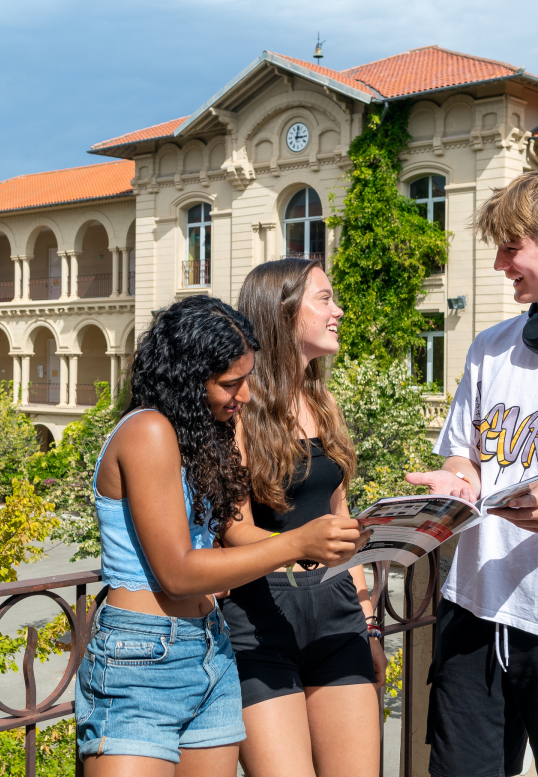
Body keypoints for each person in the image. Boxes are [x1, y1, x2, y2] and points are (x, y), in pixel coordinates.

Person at [75, 294, 370, 777]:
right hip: (141, 660)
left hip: (207, 648)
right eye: (231, 383)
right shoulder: (148, 430)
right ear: (189, 380)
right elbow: (177, 571)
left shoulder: (198, 434)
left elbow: (214, 540)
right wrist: (296, 544)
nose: (247, 395)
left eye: (248, 378)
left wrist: (335, 541)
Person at [221, 259, 386, 777]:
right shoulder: (239, 411)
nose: (338, 310)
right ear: (283, 313)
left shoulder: (322, 400)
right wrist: (300, 543)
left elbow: (340, 515)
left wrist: (370, 623)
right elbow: (233, 531)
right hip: (263, 614)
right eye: (325, 299)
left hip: (337, 612)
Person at [406, 171, 538, 777]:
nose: (499, 265)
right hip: (474, 611)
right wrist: (456, 480)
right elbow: (464, 453)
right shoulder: (489, 346)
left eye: (512, 247)